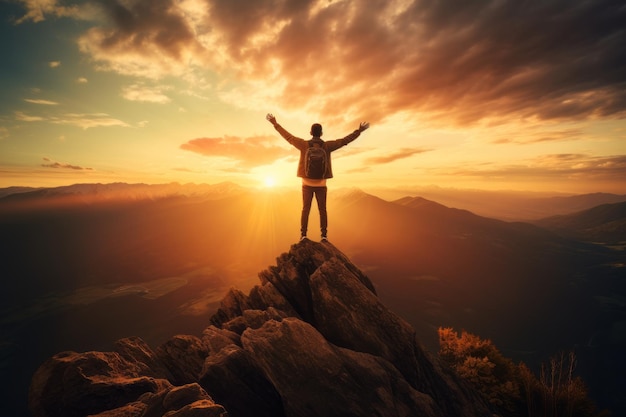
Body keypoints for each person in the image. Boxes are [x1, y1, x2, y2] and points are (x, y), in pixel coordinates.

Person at [266, 113, 369, 242]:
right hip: (321, 184)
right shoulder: (327, 146)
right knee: (322, 210)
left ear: (310, 132)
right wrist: (359, 131)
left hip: (306, 183)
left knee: (305, 209)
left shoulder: (303, 145)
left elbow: (288, 137)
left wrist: (275, 124)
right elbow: (344, 141)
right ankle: (324, 236)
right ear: (321, 133)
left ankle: (303, 235)